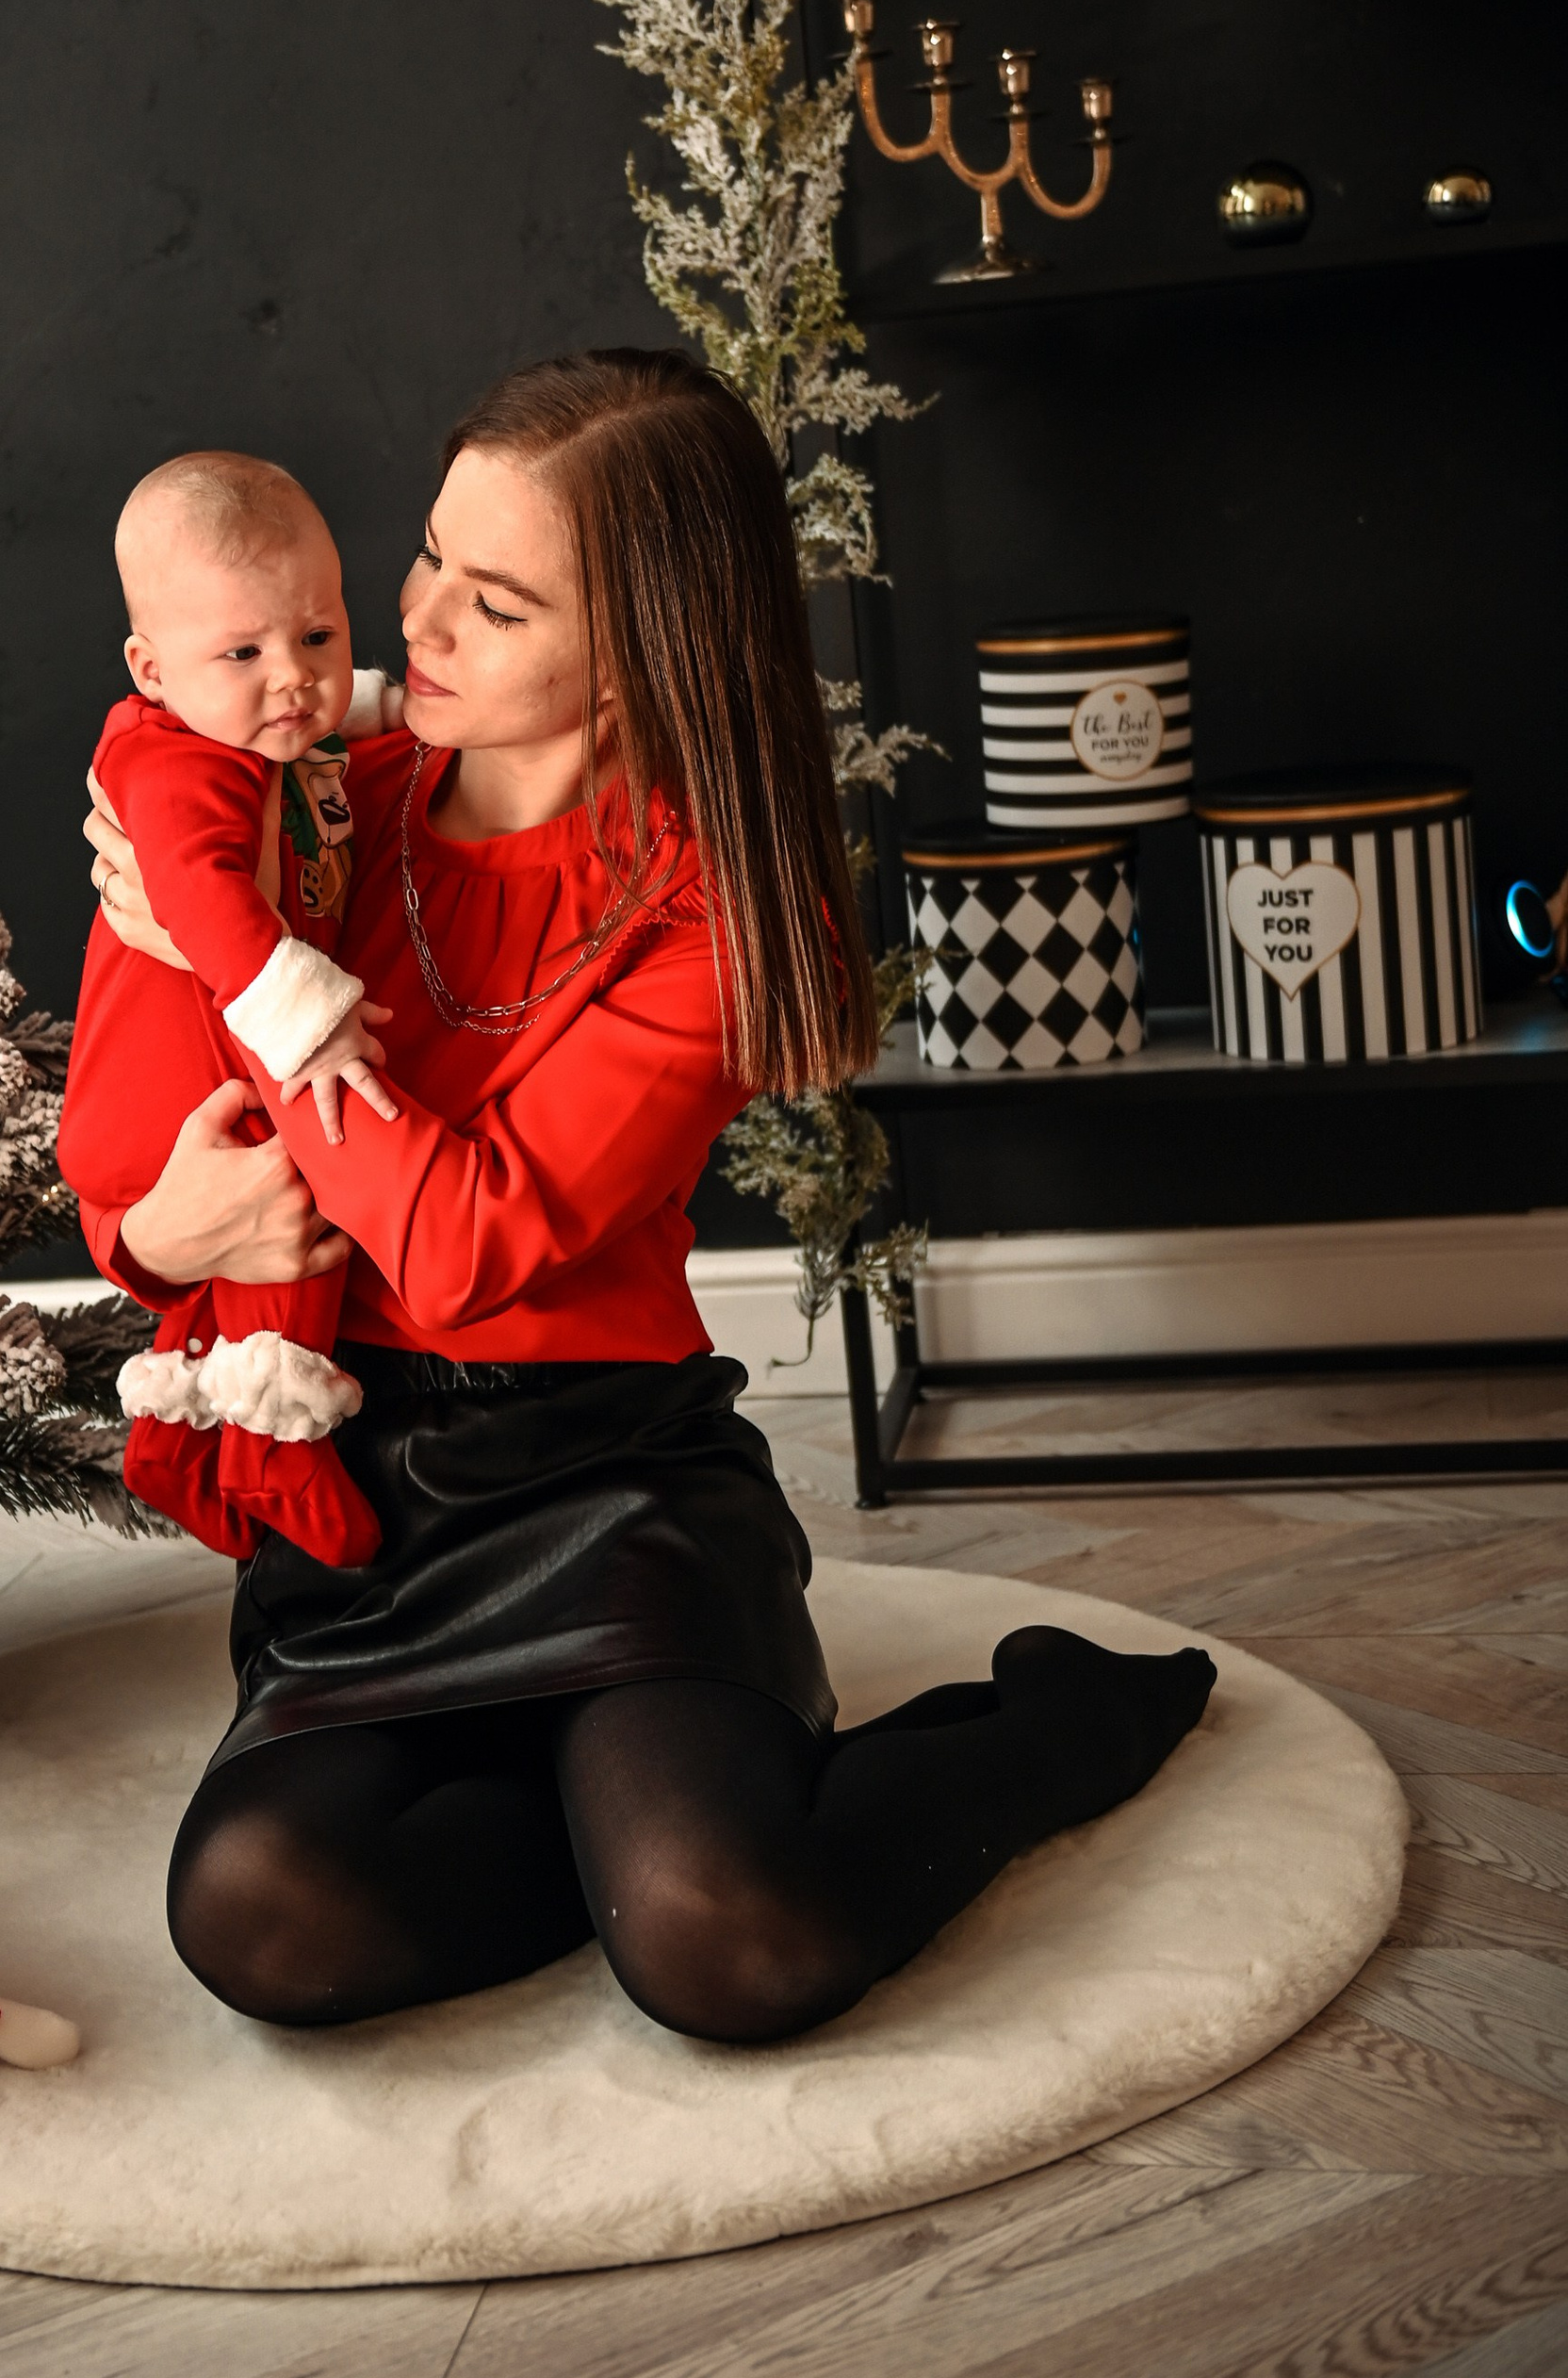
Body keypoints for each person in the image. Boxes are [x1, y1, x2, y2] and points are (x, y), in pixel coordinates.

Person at [80, 351, 1216, 2042]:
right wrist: (160, 1230)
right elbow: (141, 1150)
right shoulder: (315, 804)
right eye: (431, 561)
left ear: (639, 651)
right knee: (262, 1915)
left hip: (602, 1486)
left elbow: (461, 1252)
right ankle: (620, 1802)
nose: (418, 623)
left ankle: (1038, 1729)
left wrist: (244, 980)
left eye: (498, 599)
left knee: (730, 1944)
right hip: (357, 1495)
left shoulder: (718, 908)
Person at [58, 451, 400, 1569]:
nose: (293, 679)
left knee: (267, 1241)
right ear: (151, 670)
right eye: (243, 653)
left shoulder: (246, 726)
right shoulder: (178, 767)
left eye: (316, 634)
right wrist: (312, 1019)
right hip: (175, 1096)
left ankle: (178, 1435)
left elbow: (340, 725)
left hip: (187, 1081)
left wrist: (395, 703)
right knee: (299, 1213)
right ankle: (271, 1452)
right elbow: (200, 898)